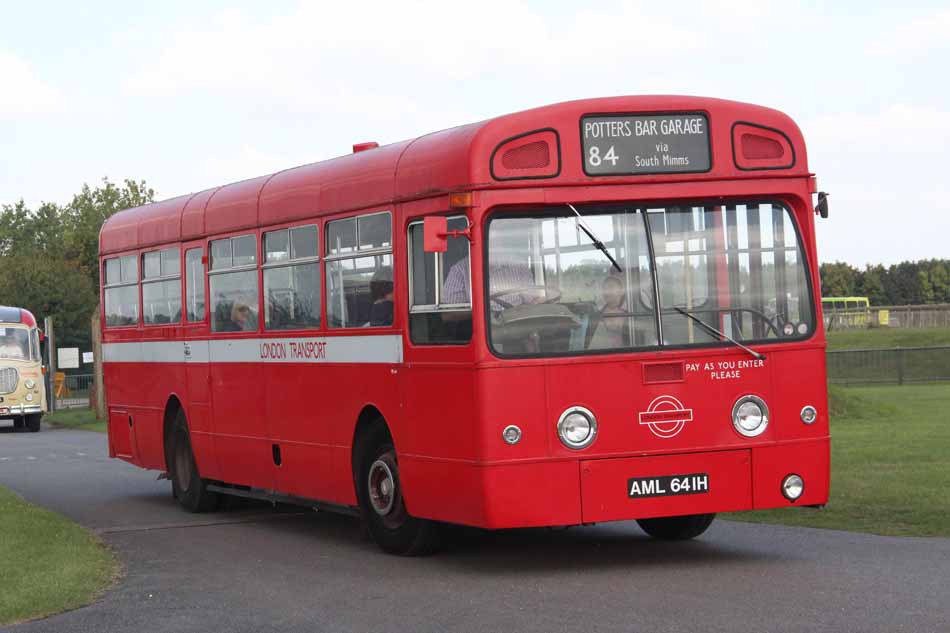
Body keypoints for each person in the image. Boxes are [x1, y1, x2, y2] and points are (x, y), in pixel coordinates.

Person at [587, 275, 629, 349]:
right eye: (604, 288)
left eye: (610, 287)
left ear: (621, 291)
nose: (606, 291)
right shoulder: (599, 312)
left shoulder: (628, 311)